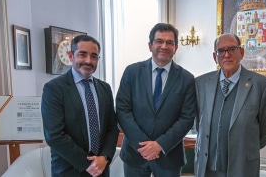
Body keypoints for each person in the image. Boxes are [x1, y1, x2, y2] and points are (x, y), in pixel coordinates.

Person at [115, 23, 196, 177]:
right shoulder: (132, 72)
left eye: (169, 42)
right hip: (135, 154)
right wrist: (144, 146)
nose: (164, 46)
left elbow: (187, 118)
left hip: (169, 156)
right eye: (159, 41)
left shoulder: (187, 79)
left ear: (176, 48)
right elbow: (122, 111)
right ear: (150, 45)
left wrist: (160, 145)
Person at [194, 33, 266, 177]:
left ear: (241, 52)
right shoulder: (200, 84)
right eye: (221, 51)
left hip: (242, 166)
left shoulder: (261, 85)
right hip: (207, 168)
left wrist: (247, 146)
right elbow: (198, 122)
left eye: (232, 49)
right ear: (215, 56)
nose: (227, 55)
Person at [41, 35, 119, 177]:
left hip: (101, 170)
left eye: (94, 56)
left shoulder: (105, 88)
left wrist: (105, 157)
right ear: (71, 56)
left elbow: (112, 128)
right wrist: (88, 164)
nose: (88, 61)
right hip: (70, 170)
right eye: (82, 54)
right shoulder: (54, 88)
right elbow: (54, 135)